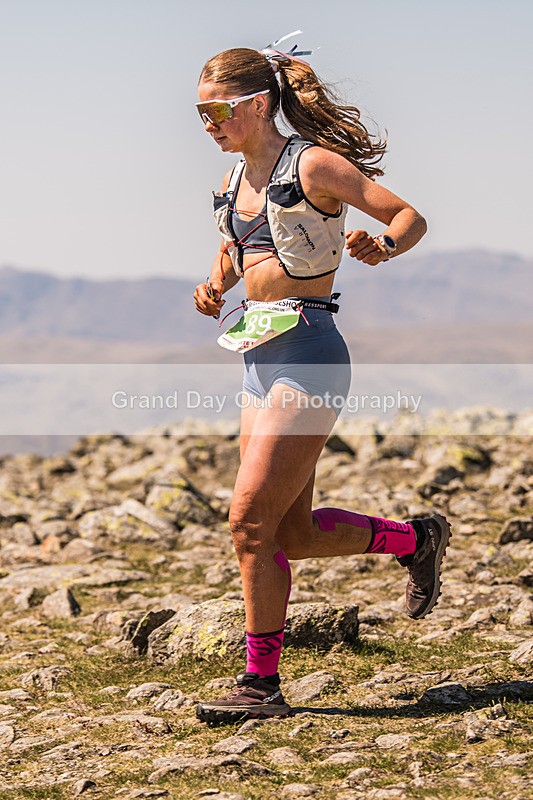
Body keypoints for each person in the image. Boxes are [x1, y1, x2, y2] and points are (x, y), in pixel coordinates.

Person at [193, 36, 451, 724]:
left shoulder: (313, 164)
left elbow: (408, 216)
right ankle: (416, 540)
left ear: (257, 104)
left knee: (248, 521)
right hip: (258, 356)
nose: (209, 124)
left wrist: (384, 244)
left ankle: (260, 685)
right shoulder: (235, 181)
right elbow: (239, 248)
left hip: (309, 352)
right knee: (293, 535)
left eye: (218, 110)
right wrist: (216, 282)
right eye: (200, 114)